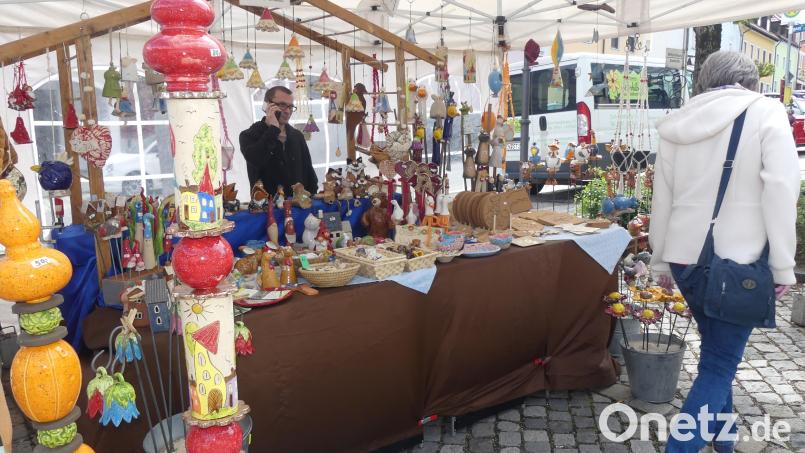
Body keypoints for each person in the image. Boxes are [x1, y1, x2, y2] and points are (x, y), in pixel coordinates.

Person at [649, 51, 800, 452]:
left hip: (684, 259)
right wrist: (783, 265)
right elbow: (782, 192)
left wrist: (660, 259)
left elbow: (661, 199)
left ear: (704, 82)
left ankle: (724, 441)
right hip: (739, 262)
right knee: (720, 363)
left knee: (716, 353)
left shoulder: (676, 123)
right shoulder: (766, 112)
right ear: (751, 82)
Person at [239, 86, 318, 195]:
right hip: (267, 207)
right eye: (282, 105)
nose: (287, 111)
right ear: (267, 105)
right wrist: (273, 130)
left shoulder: (297, 136)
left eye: (290, 107)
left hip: (299, 206)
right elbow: (256, 160)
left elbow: (309, 172)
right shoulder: (249, 135)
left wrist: (311, 199)